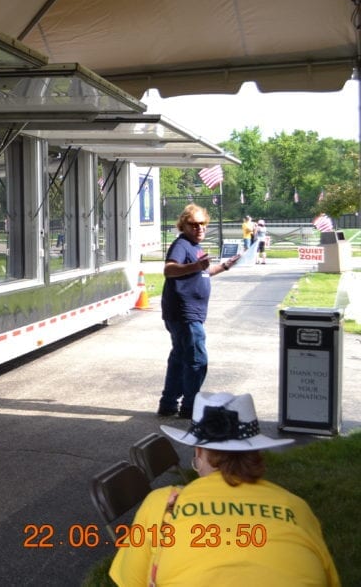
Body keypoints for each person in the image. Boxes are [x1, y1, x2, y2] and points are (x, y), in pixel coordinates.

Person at [110, 391, 340, 586]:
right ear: (255, 451)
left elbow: (131, 581)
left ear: (198, 453)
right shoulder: (297, 509)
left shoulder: (163, 505)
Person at [157, 204, 240, 420]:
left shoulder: (194, 246)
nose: (199, 228)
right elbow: (169, 269)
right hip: (185, 314)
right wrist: (195, 266)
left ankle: (168, 404)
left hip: (186, 314)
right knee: (197, 360)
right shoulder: (182, 245)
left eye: (203, 224)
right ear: (183, 225)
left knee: (179, 357)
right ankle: (190, 407)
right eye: (193, 224)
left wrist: (225, 266)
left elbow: (203, 271)